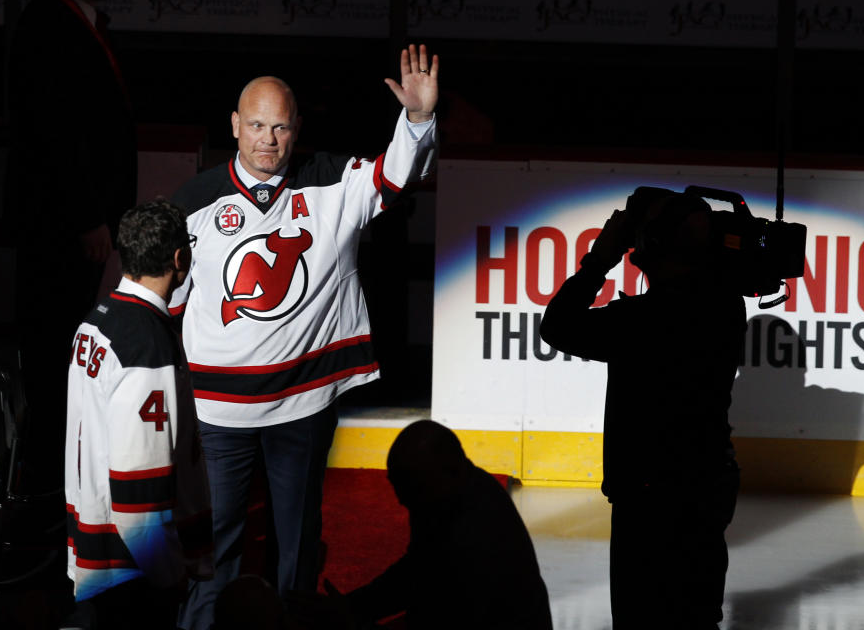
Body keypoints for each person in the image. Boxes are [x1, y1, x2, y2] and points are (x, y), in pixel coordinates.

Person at [171, 45, 438, 629]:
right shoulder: (191, 204)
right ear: (235, 127)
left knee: (297, 541)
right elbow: (166, 302)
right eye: (258, 126)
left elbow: (396, 173)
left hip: (301, 405)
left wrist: (417, 121)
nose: (269, 139)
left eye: (281, 127)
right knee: (216, 547)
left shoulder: (331, 184)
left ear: (297, 131)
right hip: (217, 411)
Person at [539, 192, 745, 629]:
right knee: (697, 616)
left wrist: (600, 259)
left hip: (650, 497)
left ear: (653, 246)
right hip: (706, 484)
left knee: (641, 617)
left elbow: (557, 326)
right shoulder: (725, 306)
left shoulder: (641, 321)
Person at [5, 0, 136, 492]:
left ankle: (57, 481)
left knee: (61, 349)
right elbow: (55, 130)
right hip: (59, 228)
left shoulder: (73, 20)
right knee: (53, 352)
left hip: (71, 224)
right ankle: (51, 488)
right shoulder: (48, 20)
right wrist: (87, 217)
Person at [64, 199, 212, 629]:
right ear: (179, 258)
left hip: (97, 555)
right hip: (131, 571)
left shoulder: (96, 321)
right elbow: (138, 495)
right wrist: (168, 574)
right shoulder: (147, 345)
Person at [335, 420, 552, 630]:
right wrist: (353, 606)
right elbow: (418, 568)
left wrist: (354, 619)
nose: (401, 500)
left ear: (453, 471)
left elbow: (440, 610)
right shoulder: (446, 490)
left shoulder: (475, 539)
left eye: (410, 488)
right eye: (396, 485)